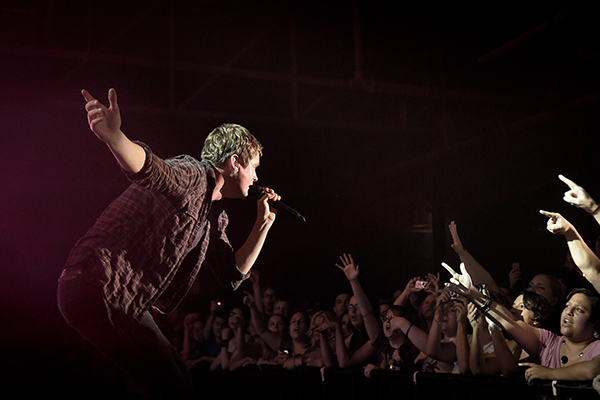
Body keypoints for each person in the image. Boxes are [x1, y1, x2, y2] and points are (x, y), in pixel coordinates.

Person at [57, 88, 280, 399]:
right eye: (253, 166)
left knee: (179, 381)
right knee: (172, 386)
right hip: (96, 284)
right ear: (234, 163)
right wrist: (115, 138)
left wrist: (262, 225)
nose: (256, 177)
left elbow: (232, 274)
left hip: (123, 299)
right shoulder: (194, 174)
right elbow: (152, 169)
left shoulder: (214, 215)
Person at [444, 262, 600, 384]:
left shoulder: (597, 348)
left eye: (579, 310)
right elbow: (509, 320)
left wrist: (549, 373)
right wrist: (472, 293)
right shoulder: (548, 342)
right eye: (567, 306)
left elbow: (592, 370)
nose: (569, 312)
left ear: (595, 323)